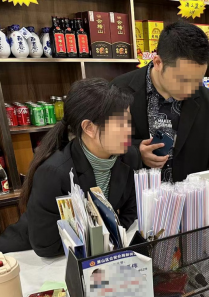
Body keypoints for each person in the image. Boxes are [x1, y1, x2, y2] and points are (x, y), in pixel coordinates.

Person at [0, 78, 141, 257]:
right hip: (25, 258)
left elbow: (130, 214)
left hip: (90, 255)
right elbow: (46, 246)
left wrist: (105, 238)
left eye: (128, 122)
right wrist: (102, 239)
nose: (129, 130)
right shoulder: (54, 172)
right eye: (120, 124)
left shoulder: (129, 157)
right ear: (89, 127)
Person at [111, 20, 209, 183]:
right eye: (183, 80)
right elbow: (100, 146)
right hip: (135, 202)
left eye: (197, 81)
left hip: (191, 201)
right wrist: (136, 152)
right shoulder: (118, 92)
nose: (190, 90)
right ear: (158, 63)